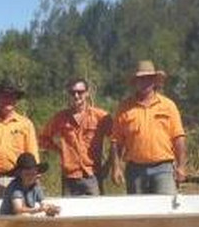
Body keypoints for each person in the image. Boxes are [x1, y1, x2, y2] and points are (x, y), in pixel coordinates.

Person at [110, 60, 187, 195]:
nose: (145, 82)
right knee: (139, 212)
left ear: (155, 81)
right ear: (135, 82)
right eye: (141, 79)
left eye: (148, 78)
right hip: (135, 170)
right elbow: (116, 142)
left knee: (166, 209)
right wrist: (116, 168)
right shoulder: (124, 108)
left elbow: (178, 138)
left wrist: (181, 166)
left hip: (163, 168)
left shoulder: (168, 106)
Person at [38, 78, 113, 196]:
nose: (76, 95)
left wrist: (109, 165)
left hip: (92, 175)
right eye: (72, 93)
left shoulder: (101, 117)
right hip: (69, 176)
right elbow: (42, 139)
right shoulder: (60, 118)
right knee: (70, 212)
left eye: (80, 92)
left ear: (87, 93)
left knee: (95, 212)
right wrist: (60, 150)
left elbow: (116, 140)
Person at [0, 78, 40, 200]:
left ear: (16, 100)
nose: (7, 100)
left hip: (18, 178)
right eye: (3, 96)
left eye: (11, 96)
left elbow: (32, 153)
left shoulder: (25, 124)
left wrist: (35, 177)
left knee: (17, 215)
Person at [0, 152, 60, 217]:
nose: (31, 177)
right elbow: (18, 209)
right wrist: (38, 210)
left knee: (52, 215)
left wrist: (50, 208)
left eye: (33, 174)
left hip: (23, 222)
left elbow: (43, 203)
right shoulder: (15, 187)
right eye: (27, 174)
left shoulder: (35, 185)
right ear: (20, 174)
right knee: (24, 215)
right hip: (8, 222)